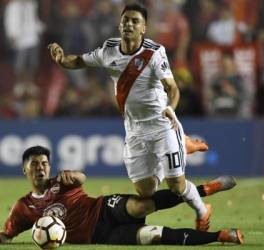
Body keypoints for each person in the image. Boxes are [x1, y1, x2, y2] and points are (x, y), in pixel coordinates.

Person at [48, 3, 212, 230]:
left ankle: (202, 211)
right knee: (146, 192)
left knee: (176, 185)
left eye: (135, 21)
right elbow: (79, 61)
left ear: (144, 28)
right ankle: (182, 146)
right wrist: (61, 59)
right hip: (134, 130)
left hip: (162, 124)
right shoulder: (109, 50)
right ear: (119, 24)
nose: (129, 24)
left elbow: (172, 88)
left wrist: (170, 108)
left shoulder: (155, 53)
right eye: (126, 20)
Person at [0, 146, 243, 246]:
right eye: (34, 165)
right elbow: (6, 236)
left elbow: (82, 178)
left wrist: (74, 175)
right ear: (25, 170)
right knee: (154, 235)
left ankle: (204, 190)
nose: (40, 168)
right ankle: (222, 235)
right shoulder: (23, 207)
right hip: (101, 235)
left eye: (44, 163)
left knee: (141, 205)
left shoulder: (60, 181)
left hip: (103, 208)